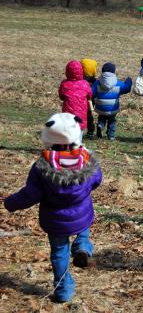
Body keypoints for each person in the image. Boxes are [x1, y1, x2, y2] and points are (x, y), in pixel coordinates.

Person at [4, 113, 102, 302]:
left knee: (59, 252)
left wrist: (10, 203)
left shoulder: (42, 167)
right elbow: (97, 180)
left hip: (54, 220)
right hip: (82, 213)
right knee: (83, 229)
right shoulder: (87, 160)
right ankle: (82, 248)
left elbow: (30, 194)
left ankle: (63, 290)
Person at [92, 62, 132, 141]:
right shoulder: (118, 83)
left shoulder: (97, 83)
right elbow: (127, 88)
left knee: (102, 118)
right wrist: (129, 81)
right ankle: (111, 136)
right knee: (112, 121)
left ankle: (100, 125)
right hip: (112, 108)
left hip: (101, 107)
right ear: (113, 72)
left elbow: (92, 92)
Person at [59, 60, 92, 134]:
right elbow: (90, 95)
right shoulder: (85, 84)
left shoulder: (64, 84)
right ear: (81, 71)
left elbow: (61, 96)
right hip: (81, 114)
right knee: (79, 134)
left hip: (68, 115)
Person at [80, 58, 97, 139]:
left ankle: (77, 130)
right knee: (89, 116)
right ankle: (90, 132)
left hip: (80, 101)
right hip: (90, 101)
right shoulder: (95, 81)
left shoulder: (79, 80)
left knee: (79, 115)